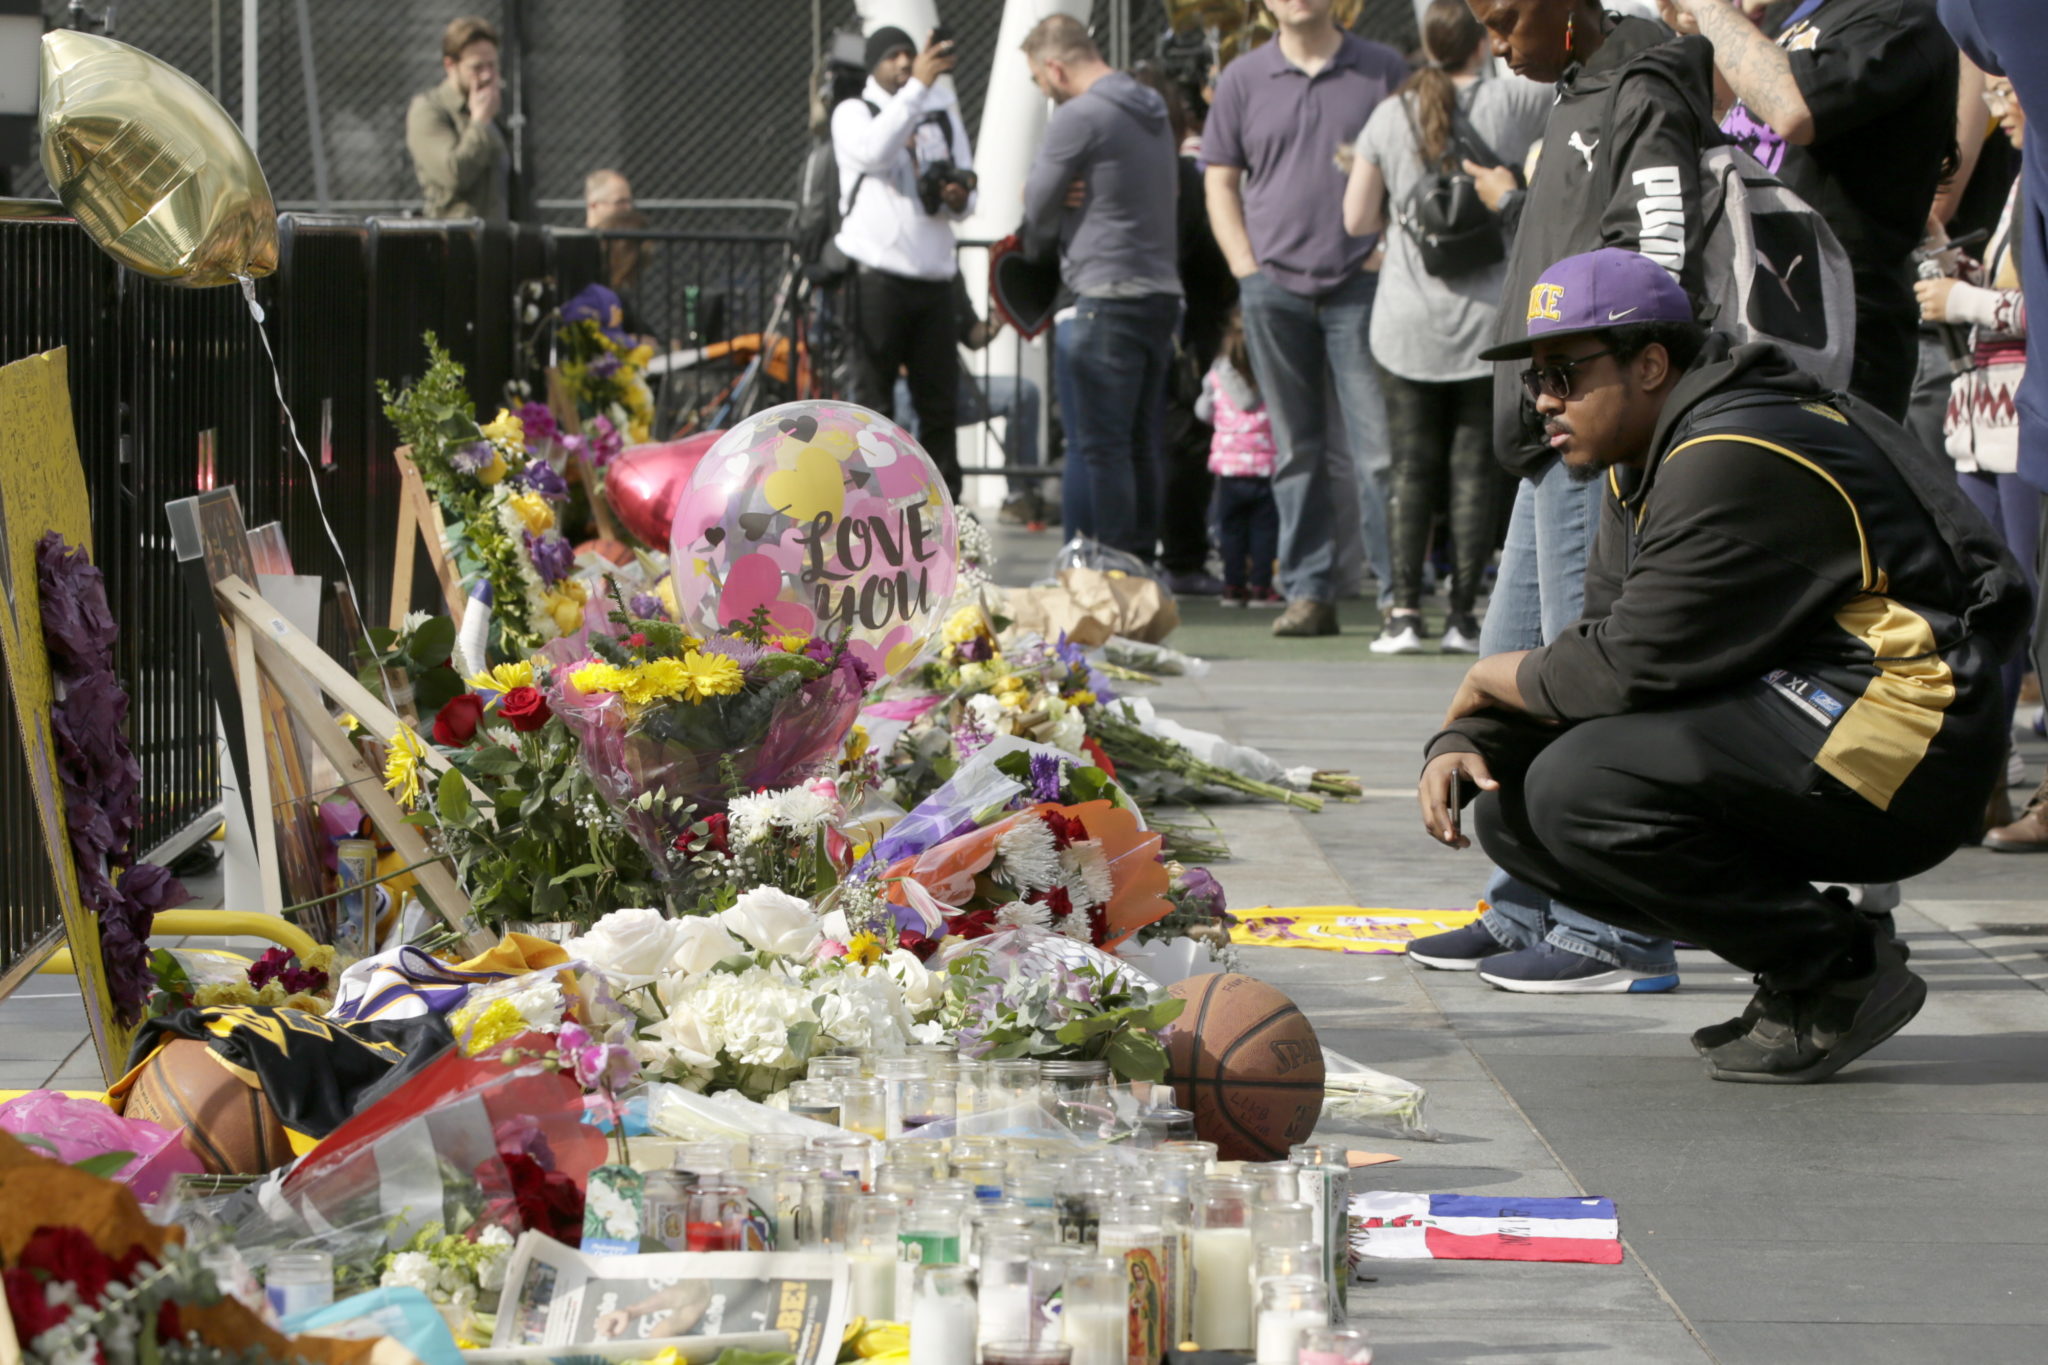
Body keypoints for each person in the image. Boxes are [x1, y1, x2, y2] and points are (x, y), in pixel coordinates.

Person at [1418, 247, 2027, 1081]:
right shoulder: (1651, 455)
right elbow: (1600, 649)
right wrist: (1463, 737)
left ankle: (1839, 968)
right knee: (1505, 797)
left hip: (1915, 736)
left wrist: (1488, 679)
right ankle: (1800, 965)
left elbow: (1628, 665)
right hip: (1822, 704)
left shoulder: (1737, 448)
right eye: (1534, 380)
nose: (1544, 401)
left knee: (1581, 790)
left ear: (1652, 364)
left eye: (1563, 372)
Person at [1407, 0, 1714, 992]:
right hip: (1548, 436)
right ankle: (1524, 902)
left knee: (1579, 681)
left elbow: (1661, 261)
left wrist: (1610, 403)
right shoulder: (1574, 92)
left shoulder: (1644, 86)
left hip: (1596, 437)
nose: (1495, 45)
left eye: (1502, 19)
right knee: (1514, 677)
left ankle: (1608, 921)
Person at [1202, 0, 1410, 638]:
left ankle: (1395, 599)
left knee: (1377, 451)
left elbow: (1418, 162)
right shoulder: (1241, 78)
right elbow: (1220, 180)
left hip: (1359, 283)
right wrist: (1244, 265)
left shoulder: (1383, 69)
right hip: (1272, 288)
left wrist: (1384, 250)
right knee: (1295, 451)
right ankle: (1308, 592)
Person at [1344, 0, 1544, 655]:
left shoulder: (1386, 114)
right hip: (1489, 320)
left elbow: (1355, 220)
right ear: (1486, 40)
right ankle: (1463, 615)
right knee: (1473, 472)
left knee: (1409, 471)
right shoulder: (1514, 102)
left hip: (1404, 320)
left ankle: (1402, 611)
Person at [1664, 0, 1959, 420]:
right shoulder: (1803, 17)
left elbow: (1792, 108)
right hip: (1752, 313)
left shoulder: (1900, 14)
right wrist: (1696, 31)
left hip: (1831, 328)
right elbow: (1725, 105)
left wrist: (1710, 7)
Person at [1920, 76, 2038, 848]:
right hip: (1982, 424)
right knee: (1990, 613)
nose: (1999, 101)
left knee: (2032, 615)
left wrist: (1961, 304)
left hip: (2027, 426)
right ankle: (1983, 785)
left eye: (2013, 87)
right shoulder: (2024, 182)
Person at [1021, 16, 1183, 564]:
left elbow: (1036, 205)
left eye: (1040, 81)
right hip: (1158, 293)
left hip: (1101, 297)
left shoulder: (1080, 116)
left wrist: (1046, 192)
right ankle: (1136, 565)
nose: (1044, 91)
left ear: (1055, 68)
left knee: (1096, 447)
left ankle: (1096, 567)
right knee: (1139, 443)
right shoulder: (1153, 109)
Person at [831, 25, 974, 499]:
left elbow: (968, 197)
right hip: (877, 282)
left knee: (939, 411)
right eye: (893, 55)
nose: (904, 64)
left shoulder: (937, 114)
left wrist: (957, 194)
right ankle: (868, 514)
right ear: (873, 62)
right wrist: (917, 90)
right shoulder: (853, 112)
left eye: (910, 56)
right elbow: (874, 152)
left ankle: (945, 519)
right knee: (872, 408)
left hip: (933, 283)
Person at [1131, 60, 1239, 596]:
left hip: (1152, 319)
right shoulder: (1184, 178)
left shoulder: (1129, 171)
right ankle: (1182, 555)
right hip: (1188, 325)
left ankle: (1136, 552)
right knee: (1182, 443)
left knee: (1131, 441)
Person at [893, 277, 1047, 522]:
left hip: (949, 382)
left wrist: (999, 319)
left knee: (1024, 393)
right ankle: (917, 505)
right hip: (906, 385)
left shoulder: (948, 276)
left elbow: (972, 334)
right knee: (911, 405)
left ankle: (1020, 496)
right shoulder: (892, 274)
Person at [1197, 309, 1282, 606]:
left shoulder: (1216, 376)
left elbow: (1202, 412)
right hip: (1265, 469)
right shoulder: (1272, 375)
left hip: (1229, 471)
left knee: (1230, 531)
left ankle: (1233, 585)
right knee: (1264, 531)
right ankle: (1261, 585)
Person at [406, 15, 509, 222]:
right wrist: (480, 122)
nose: (488, 75)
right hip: (453, 240)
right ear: (450, 65)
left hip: (497, 240)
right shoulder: (429, 110)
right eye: (477, 67)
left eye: (492, 65)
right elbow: (454, 174)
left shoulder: (491, 105)